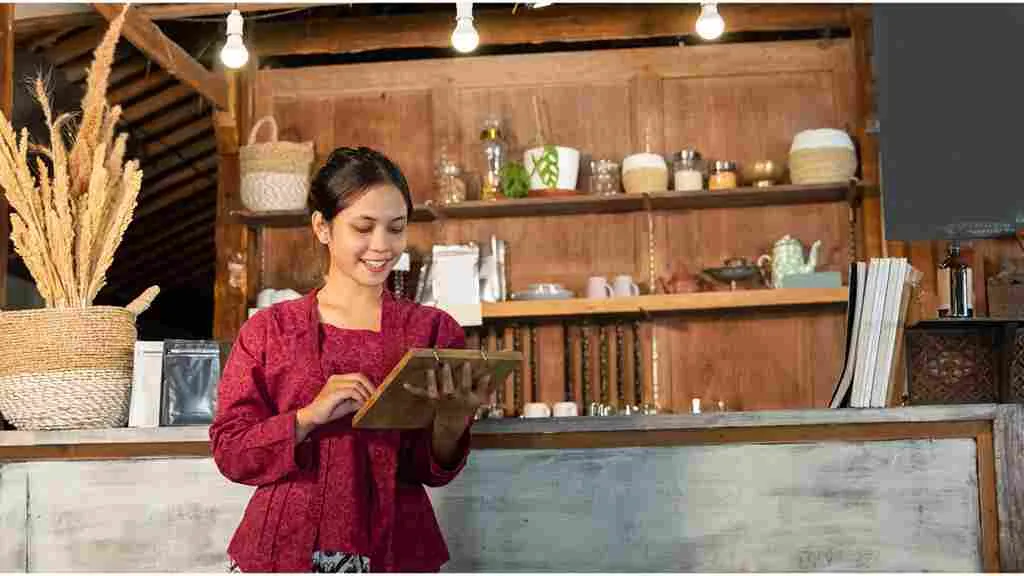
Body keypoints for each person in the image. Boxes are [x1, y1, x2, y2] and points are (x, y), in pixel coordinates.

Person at [210, 146, 493, 573]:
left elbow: (431, 471)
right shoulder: (270, 330)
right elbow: (231, 451)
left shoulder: (434, 332)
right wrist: (307, 417)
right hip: (286, 552)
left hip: (397, 551)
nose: (382, 245)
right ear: (322, 227)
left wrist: (452, 424)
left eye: (396, 228)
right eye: (363, 227)